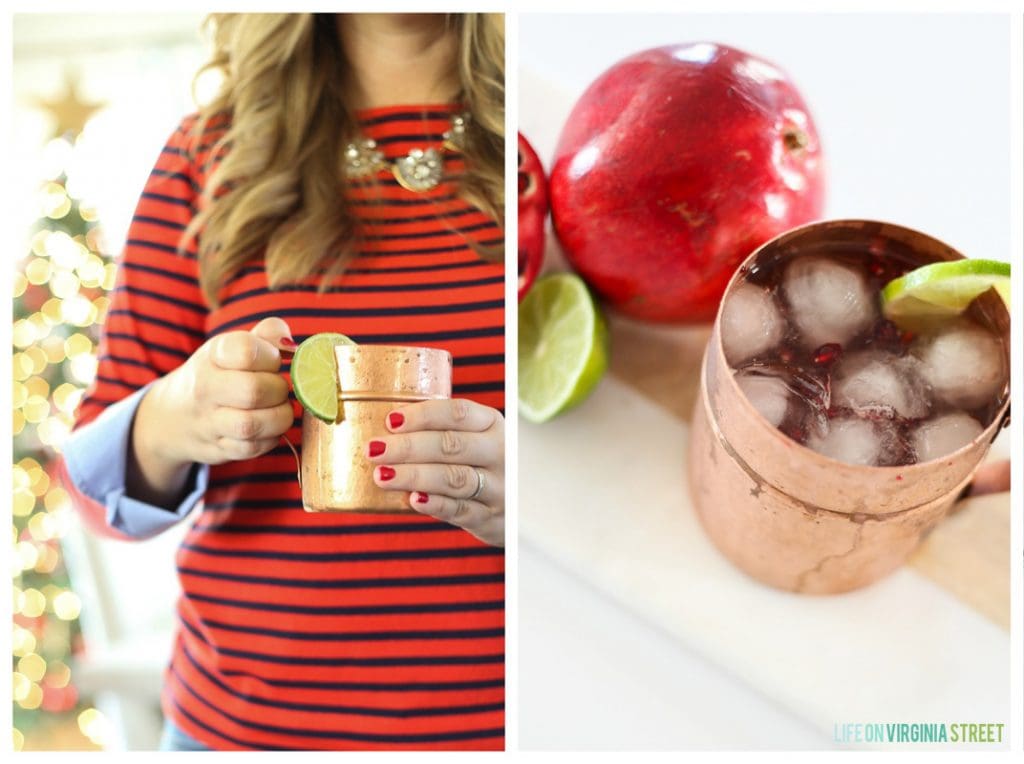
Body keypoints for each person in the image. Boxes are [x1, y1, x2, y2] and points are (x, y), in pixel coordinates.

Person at [61, 12, 505, 751]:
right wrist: (178, 413)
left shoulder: (545, 147)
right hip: (246, 733)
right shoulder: (208, 156)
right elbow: (90, 490)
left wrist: (529, 503)